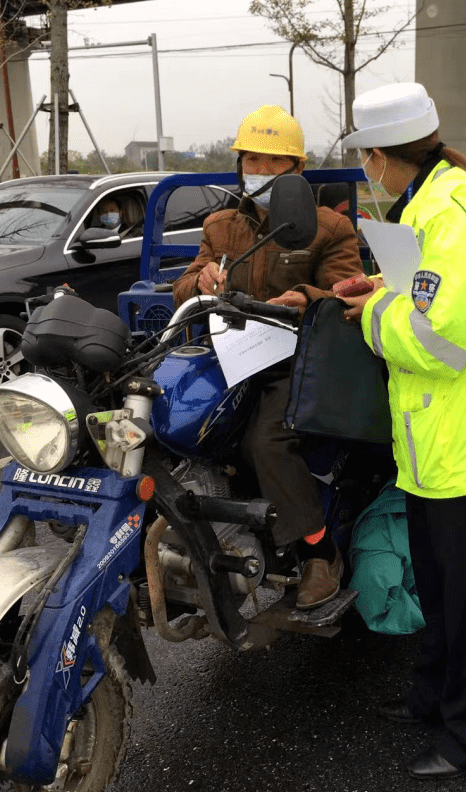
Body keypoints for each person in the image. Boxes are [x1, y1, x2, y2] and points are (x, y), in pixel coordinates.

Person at [338, 82, 466, 780]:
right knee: (441, 591)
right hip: (438, 448)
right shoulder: (424, 207)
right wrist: (379, 292)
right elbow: (423, 296)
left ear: (378, 155)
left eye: (366, 159)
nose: (365, 171)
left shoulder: (452, 216)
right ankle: (435, 700)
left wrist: (369, 319)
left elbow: (438, 342)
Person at [172, 105, 364, 608]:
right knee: (164, 415)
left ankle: (318, 553)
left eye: (272, 163)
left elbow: (348, 292)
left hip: (295, 356)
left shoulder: (328, 227)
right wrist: (201, 281)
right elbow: (185, 284)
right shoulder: (221, 226)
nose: (258, 171)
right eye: (250, 161)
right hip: (230, 349)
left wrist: (305, 295)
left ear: (297, 171)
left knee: (267, 440)